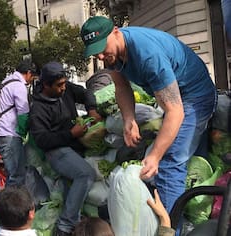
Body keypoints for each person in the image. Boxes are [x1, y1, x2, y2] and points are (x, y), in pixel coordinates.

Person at [81, 16, 217, 213]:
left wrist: (154, 156)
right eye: (95, 52)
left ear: (116, 31)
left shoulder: (147, 55)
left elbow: (175, 111)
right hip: (176, 100)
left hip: (194, 98)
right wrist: (129, 119)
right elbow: (121, 87)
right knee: (194, 163)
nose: (100, 56)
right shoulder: (113, 56)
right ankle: (195, 215)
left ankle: (169, 230)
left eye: (102, 47)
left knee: (169, 164)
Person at [29, 61, 97, 235]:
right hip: (56, 150)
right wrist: (71, 134)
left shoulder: (67, 90)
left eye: (64, 83)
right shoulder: (38, 108)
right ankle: (65, 225)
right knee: (85, 174)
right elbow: (42, 139)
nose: (63, 88)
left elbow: (86, 93)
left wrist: (92, 109)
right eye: (59, 85)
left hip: (75, 146)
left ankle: (78, 222)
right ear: (46, 85)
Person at [0, 59, 38, 187]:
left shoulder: (6, 82)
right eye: (32, 77)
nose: (31, 80)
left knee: (13, 174)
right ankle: (9, 205)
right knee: (16, 176)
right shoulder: (18, 86)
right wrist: (23, 133)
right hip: (9, 135)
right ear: (28, 73)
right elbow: (23, 114)